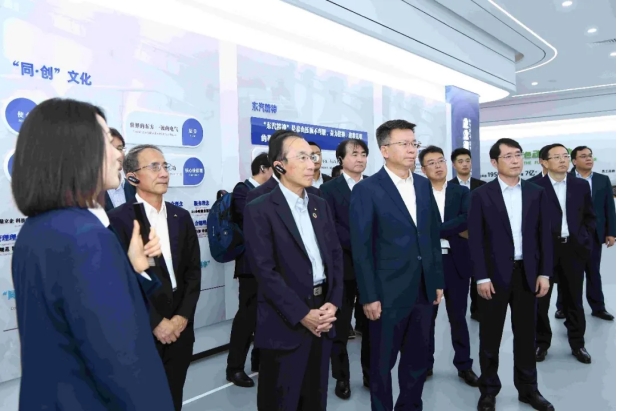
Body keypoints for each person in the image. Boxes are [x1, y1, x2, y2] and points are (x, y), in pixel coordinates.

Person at [10, 98, 174, 410]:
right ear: (76, 151)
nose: (118, 154)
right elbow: (125, 364)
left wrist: (133, 268)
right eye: (107, 142)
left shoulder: (36, 230)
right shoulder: (87, 239)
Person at [243, 130, 344, 410]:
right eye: (302, 158)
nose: (312, 164)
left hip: (323, 315)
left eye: (312, 157)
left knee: (315, 399)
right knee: (280, 401)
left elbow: (335, 257)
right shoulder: (259, 208)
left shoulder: (320, 204)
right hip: (284, 321)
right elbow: (265, 271)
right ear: (279, 166)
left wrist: (333, 303)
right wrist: (302, 314)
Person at [350, 119, 444, 411]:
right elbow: (361, 248)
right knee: (381, 365)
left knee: (417, 361)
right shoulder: (367, 190)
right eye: (404, 144)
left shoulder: (423, 184)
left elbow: (431, 235)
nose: (411, 149)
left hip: (423, 289)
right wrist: (368, 295)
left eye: (414, 143)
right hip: (386, 294)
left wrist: (436, 280)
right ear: (385, 150)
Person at [108, 144, 201, 411]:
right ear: (132, 177)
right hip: (142, 328)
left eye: (165, 166)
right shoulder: (119, 220)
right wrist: (156, 323)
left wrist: (182, 317)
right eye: (154, 167)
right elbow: (120, 284)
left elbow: (193, 273)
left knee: (173, 397)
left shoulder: (181, 217)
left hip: (181, 326)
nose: (164, 173)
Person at [468, 138, 554, 411]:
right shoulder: (481, 195)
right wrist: (481, 277)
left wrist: (545, 273)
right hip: (493, 278)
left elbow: (545, 236)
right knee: (490, 337)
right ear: (494, 162)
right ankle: (488, 391)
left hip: (528, 275)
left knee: (526, 336)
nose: (516, 160)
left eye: (518, 155)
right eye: (508, 156)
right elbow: (476, 240)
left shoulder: (536, 192)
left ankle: (528, 390)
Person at [420, 146, 479, 386]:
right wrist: (449, 229)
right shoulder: (417, 193)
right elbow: (417, 225)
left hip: (456, 261)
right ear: (423, 169)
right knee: (427, 317)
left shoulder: (461, 192)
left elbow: (466, 219)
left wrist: (432, 231)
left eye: (440, 161)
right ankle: (425, 364)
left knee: (458, 316)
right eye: (431, 163)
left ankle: (464, 365)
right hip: (428, 263)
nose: (438, 166)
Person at [534, 144, 595, 365]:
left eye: (565, 156)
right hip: (545, 252)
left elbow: (590, 216)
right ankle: (541, 343)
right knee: (540, 301)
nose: (563, 160)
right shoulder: (534, 186)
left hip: (573, 250)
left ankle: (577, 343)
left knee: (574, 299)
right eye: (556, 157)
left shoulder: (580, 185)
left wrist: (584, 239)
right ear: (544, 162)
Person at [321, 138, 370, 399]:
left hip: (373, 268)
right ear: (341, 159)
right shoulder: (328, 189)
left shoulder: (375, 185)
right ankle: (342, 377)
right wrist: (363, 244)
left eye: (363, 154)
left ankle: (371, 374)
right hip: (344, 268)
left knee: (372, 325)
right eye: (354, 154)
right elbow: (331, 228)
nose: (360, 159)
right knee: (340, 327)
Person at [226, 153, 273, 387]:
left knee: (265, 316)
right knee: (246, 318)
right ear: (264, 168)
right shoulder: (242, 190)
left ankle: (258, 360)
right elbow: (254, 221)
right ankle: (234, 367)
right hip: (249, 266)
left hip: (269, 265)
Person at [555, 146, 615, 321]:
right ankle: (562, 307)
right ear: (574, 161)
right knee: (567, 273)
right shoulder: (565, 178)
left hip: (594, 235)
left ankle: (598, 308)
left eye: (590, 156)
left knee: (593, 272)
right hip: (570, 235)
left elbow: (609, 208)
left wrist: (611, 232)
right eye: (583, 156)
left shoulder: (602, 180)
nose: (588, 159)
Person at [448, 147, 485, 321]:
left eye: (467, 161)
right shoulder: (448, 187)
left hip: (480, 238)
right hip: (457, 239)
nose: (465, 164)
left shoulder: (482, 185)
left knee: (479, 275)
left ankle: (478, 310)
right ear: (454, 165)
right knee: (461, 277)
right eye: (460, 161)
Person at [104, 128, 136, 212]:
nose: (118, 154)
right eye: (111, 149)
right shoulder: (88, 191)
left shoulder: (134, 187)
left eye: (120, 148)